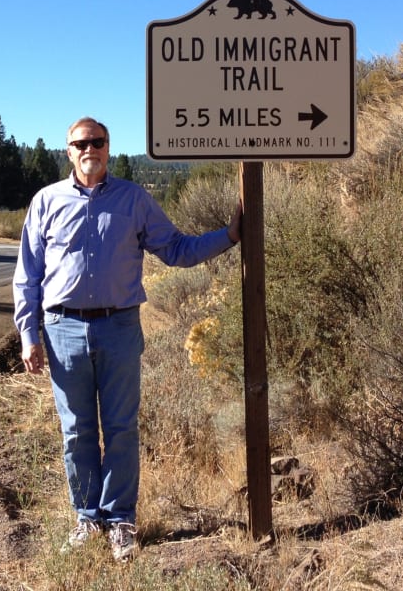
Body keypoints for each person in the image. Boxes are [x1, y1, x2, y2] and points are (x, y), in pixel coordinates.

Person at [13, 116, 241, 560]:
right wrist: (28, 334)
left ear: (109, 148)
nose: (89, 149)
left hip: (119, 327)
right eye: (81, 143)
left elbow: (175, 249)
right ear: (69, 151)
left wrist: (230, 236)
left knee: (120, 428)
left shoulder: (134, 200)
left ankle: (120, 521)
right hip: (62, 329)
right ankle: (87, 518)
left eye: (97, 142)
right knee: (76, 431)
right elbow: (28, 276)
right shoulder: (46, 202)